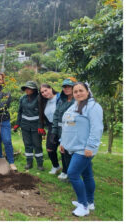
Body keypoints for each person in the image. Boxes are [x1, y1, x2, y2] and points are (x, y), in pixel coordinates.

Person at [59, 82, 102, 217]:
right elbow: (68, 124)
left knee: (72, 174)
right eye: (75, 91)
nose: (78, 93)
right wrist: (63, 142)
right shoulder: (75, 106)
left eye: (81, 90)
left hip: (84, 149)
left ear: (87, 91)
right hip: (74, 146)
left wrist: (91, 146)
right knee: (87, 174)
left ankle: (83, 206)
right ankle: (89, 202)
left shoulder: (93, 107)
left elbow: (97, 128)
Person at [15, 80, 47, 170]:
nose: (27, 90)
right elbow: (20, 112)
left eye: (29, 88)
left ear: (34, 89)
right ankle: (29, 163)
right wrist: (17, 124)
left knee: (37, 145)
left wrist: (41, 126)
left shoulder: (39, 98)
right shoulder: (23, 98)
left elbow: (42, 113)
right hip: (25, 125)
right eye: (26, 88)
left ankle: (40, 164)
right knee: (27, 144)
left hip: (36, 126)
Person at [49, 79, 77, 178]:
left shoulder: (76, 101)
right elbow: (56, 116)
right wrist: (54, 132)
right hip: (60, 130)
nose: (66, 89)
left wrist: (68, 128)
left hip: (72, 130)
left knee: (70, 152)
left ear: (73, 88)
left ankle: (70, 172)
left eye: (69, 87)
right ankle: (65, 171)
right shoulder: (61, 101)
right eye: (65, 87)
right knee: (63, 151)